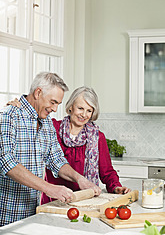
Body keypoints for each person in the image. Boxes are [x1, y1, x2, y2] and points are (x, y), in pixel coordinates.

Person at [0, 73, 101, 227]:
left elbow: (56, 159)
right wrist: (49, 188)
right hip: (8, 212)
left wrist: (79, 178)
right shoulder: (9, 116)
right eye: (53, 102)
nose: (54, 109)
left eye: (57, 104)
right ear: (38, 93)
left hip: (35, 210)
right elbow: (6, 162)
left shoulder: (46, 122)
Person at [40, 86, 131, 205]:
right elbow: (32, 119)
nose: (84, 114)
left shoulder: (97, 137)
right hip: (53, 201)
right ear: (71, 107)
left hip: (84, 202)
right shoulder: (52, 128)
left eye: (89, 110)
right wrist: (18, 106)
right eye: (80, 108)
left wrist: (116, 187)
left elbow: (107, 172)